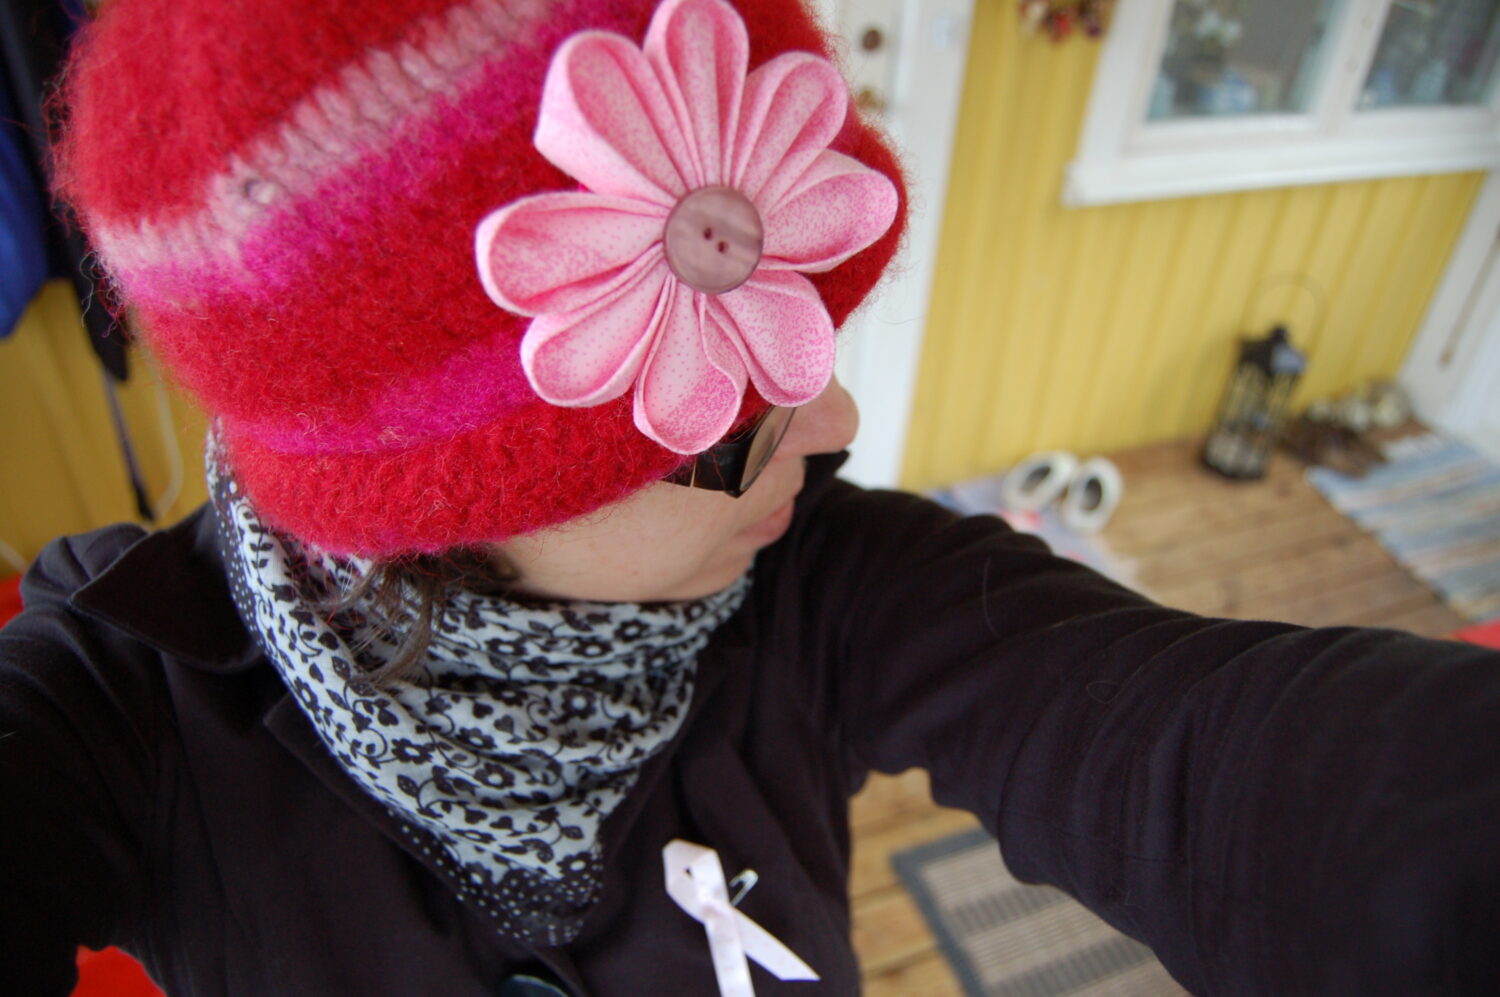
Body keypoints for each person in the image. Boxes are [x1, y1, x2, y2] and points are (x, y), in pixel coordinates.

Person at [3, 0, 1499, 993]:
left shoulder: (815, 581)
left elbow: (1208, 766)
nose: (836, 421)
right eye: (725, 407)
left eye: (811, 339)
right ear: (440, 498)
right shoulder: (124, 703)